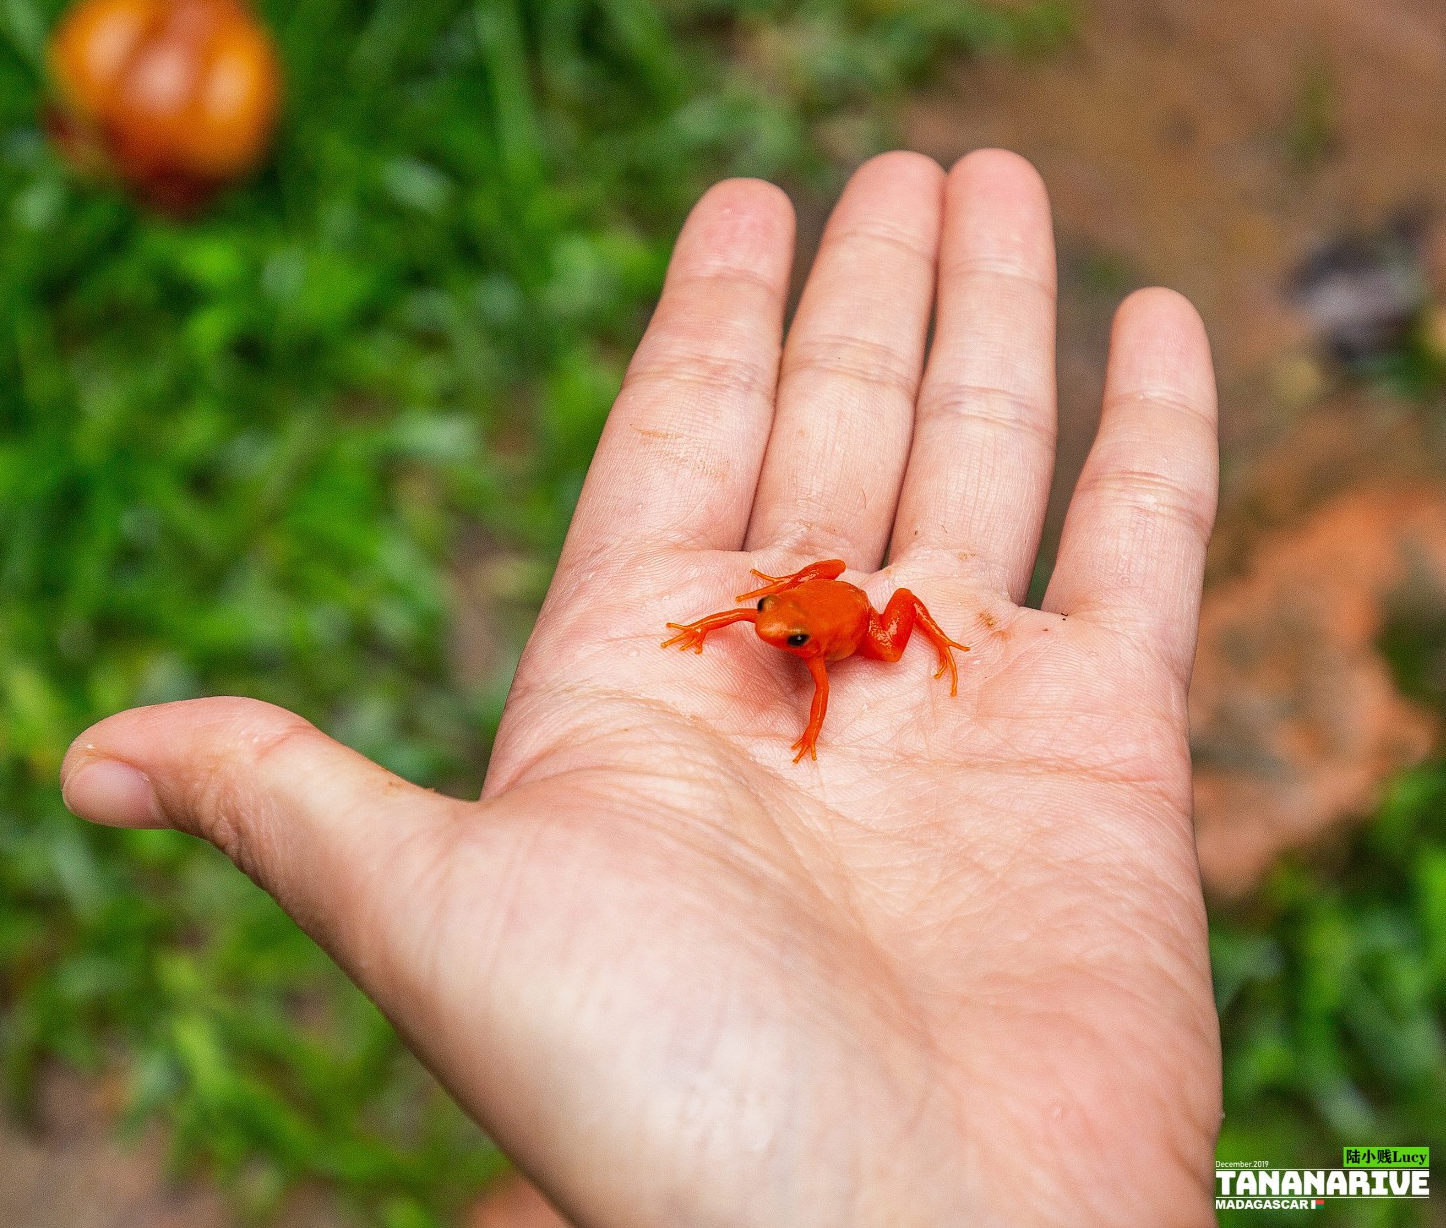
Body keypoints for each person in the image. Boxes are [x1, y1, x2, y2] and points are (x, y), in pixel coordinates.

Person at [61, 150, 1222, 1226]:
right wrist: (713, 619)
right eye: (763, 619)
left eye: (769, 622)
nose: (762, 631)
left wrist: (896, 666)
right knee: (786, 598)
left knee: (890, 622)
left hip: (864, 624)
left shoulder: (827, 652)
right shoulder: (771, 617)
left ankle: (940, 648)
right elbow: (756, 615)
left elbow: (826, 673)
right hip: (820, 592)